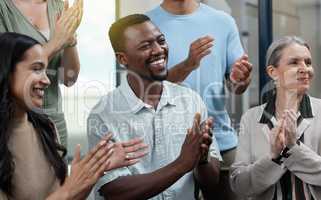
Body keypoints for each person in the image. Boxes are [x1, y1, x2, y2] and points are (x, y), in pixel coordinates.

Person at [87, 14, 221, 200]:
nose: (158, 50)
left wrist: (202, 158)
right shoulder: (103, 114)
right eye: (145, 46)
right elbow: (113, 191)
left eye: (161, 41)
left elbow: (211, 180)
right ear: (122, 59)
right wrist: (181, 164)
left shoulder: (191, 101)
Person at [0, 32, 147, 200]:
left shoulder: (46, 128)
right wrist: (69, 189)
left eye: (45, 70)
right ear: (6, 71)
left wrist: (93, 171)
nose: (47, 80)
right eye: (36, 69)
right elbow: (64, 194)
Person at [146, 1, 253, 198]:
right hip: (166, 149)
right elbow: (146, 89)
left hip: (221, 143)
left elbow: (237, 87)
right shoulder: (146, 25)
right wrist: (188, 65)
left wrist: (240, 79)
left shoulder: (223, 22)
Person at [230, 36, 321, 200]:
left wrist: (293, 149)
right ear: (273, 72)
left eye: (308, 62)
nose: (304, 68)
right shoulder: (251, 118)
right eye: (294, 62)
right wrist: (273, 158)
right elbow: (239, 184)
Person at [0, 0, 84, 147]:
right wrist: (57, 41)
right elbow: (5, 69)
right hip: (12, 121)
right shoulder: (3, 8)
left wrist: (70, 41)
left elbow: (69, 79)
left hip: (53, 121)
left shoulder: (57, 5)